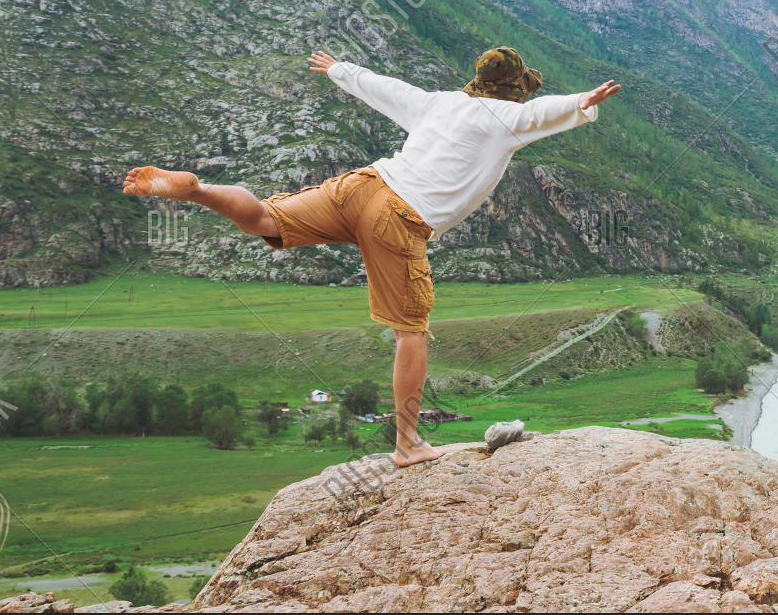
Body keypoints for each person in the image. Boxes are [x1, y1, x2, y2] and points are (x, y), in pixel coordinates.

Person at [123, 46, 620, 466]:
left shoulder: (438, 102)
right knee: (411, 330)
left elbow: (385, 88)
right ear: (514, 89)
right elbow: (542, 113)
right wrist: (583, 101)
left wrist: (339, 69)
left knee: (265, 220)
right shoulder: (507, 118)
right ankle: (408, 443)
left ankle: (197, 190)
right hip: (399, 218)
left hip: (363, 185)